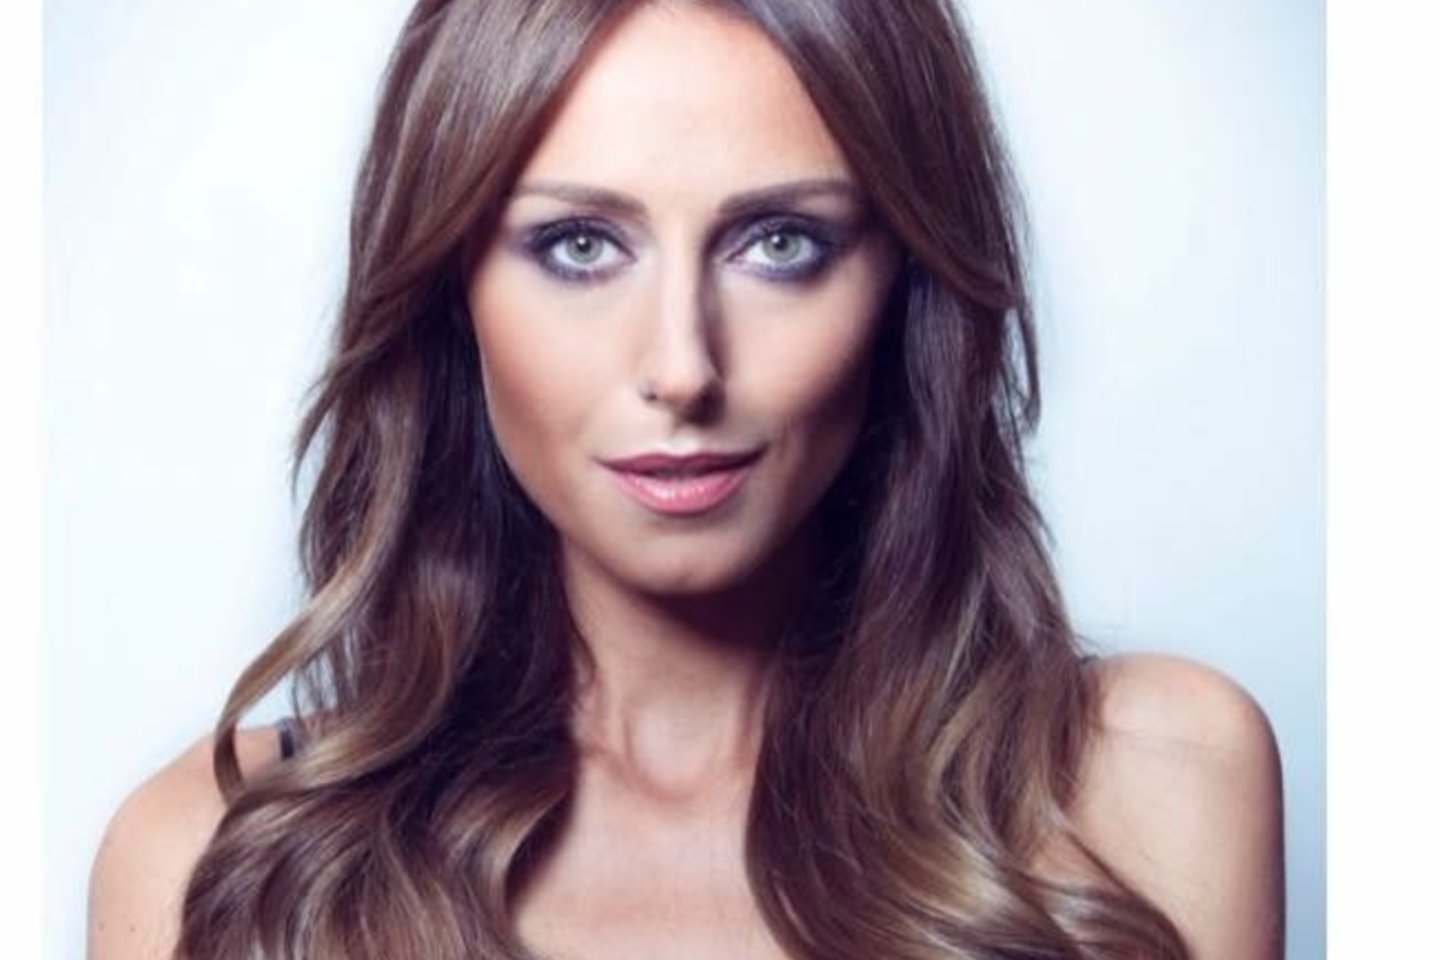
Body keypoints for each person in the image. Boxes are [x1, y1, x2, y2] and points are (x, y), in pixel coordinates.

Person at [88, 1, 1284, 958]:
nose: (682, 368)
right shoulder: (221, 863)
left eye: (781, 243)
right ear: (452, 293)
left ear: (908, 285)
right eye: (578, 246)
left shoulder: (1154, 781)